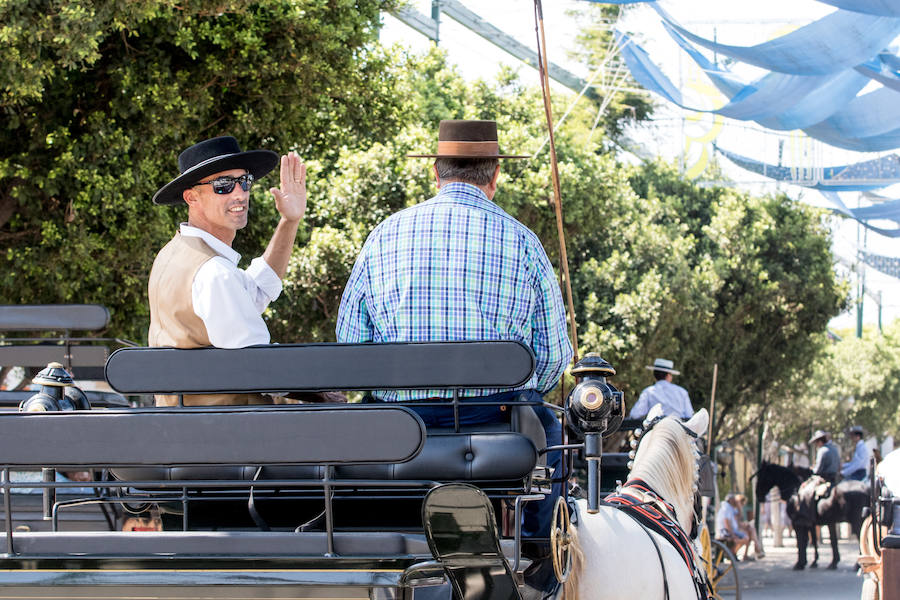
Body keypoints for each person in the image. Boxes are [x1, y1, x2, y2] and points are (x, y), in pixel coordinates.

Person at [335, 120, 572, 549]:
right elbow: (554, 356)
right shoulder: (522, 241)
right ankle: (539, 559)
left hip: (399, 430)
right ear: (495, 175)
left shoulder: (383, 235)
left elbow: (351, 349)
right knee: (550, 433)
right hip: (498, 426)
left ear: (436, 172)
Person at [149, 136, 306, 406]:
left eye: (244, 182)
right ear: (191, 197)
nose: (239, 194)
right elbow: (264, 368)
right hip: (232, 434)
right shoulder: (213, 272)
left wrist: (289, 220)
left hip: (189, 427)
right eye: (223, 185)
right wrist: (320, 392)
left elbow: (255, 291)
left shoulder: (174, 254)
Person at [628, 358, 693, 420]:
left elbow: (635, 414)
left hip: (656, 426)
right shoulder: (682, 391)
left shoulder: (648, 392)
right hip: (678, 426)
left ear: (654, 375)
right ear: (668, 375)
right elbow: (689, 414)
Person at [715, 493, 749, 558]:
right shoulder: (726, 508)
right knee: (745, 538)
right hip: (724, 531)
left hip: (729, 530)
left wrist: (739, 506)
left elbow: (739, 516)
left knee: (747, 534)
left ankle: (732, 553)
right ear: (730, 500)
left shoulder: (730, 508)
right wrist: (733, 535)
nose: (735, 501)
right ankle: (731, 553)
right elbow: (726, 522)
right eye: (734, 500)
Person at [734, 494, 765, 559]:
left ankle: (754, 548)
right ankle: (757, 547)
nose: (742, 505)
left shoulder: (737, 510)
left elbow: (738, 522)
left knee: (750, 531)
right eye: (741, 503)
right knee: (750, 531)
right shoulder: (734, 510)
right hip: (734, 529)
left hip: (737, 528)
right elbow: (736, 523)